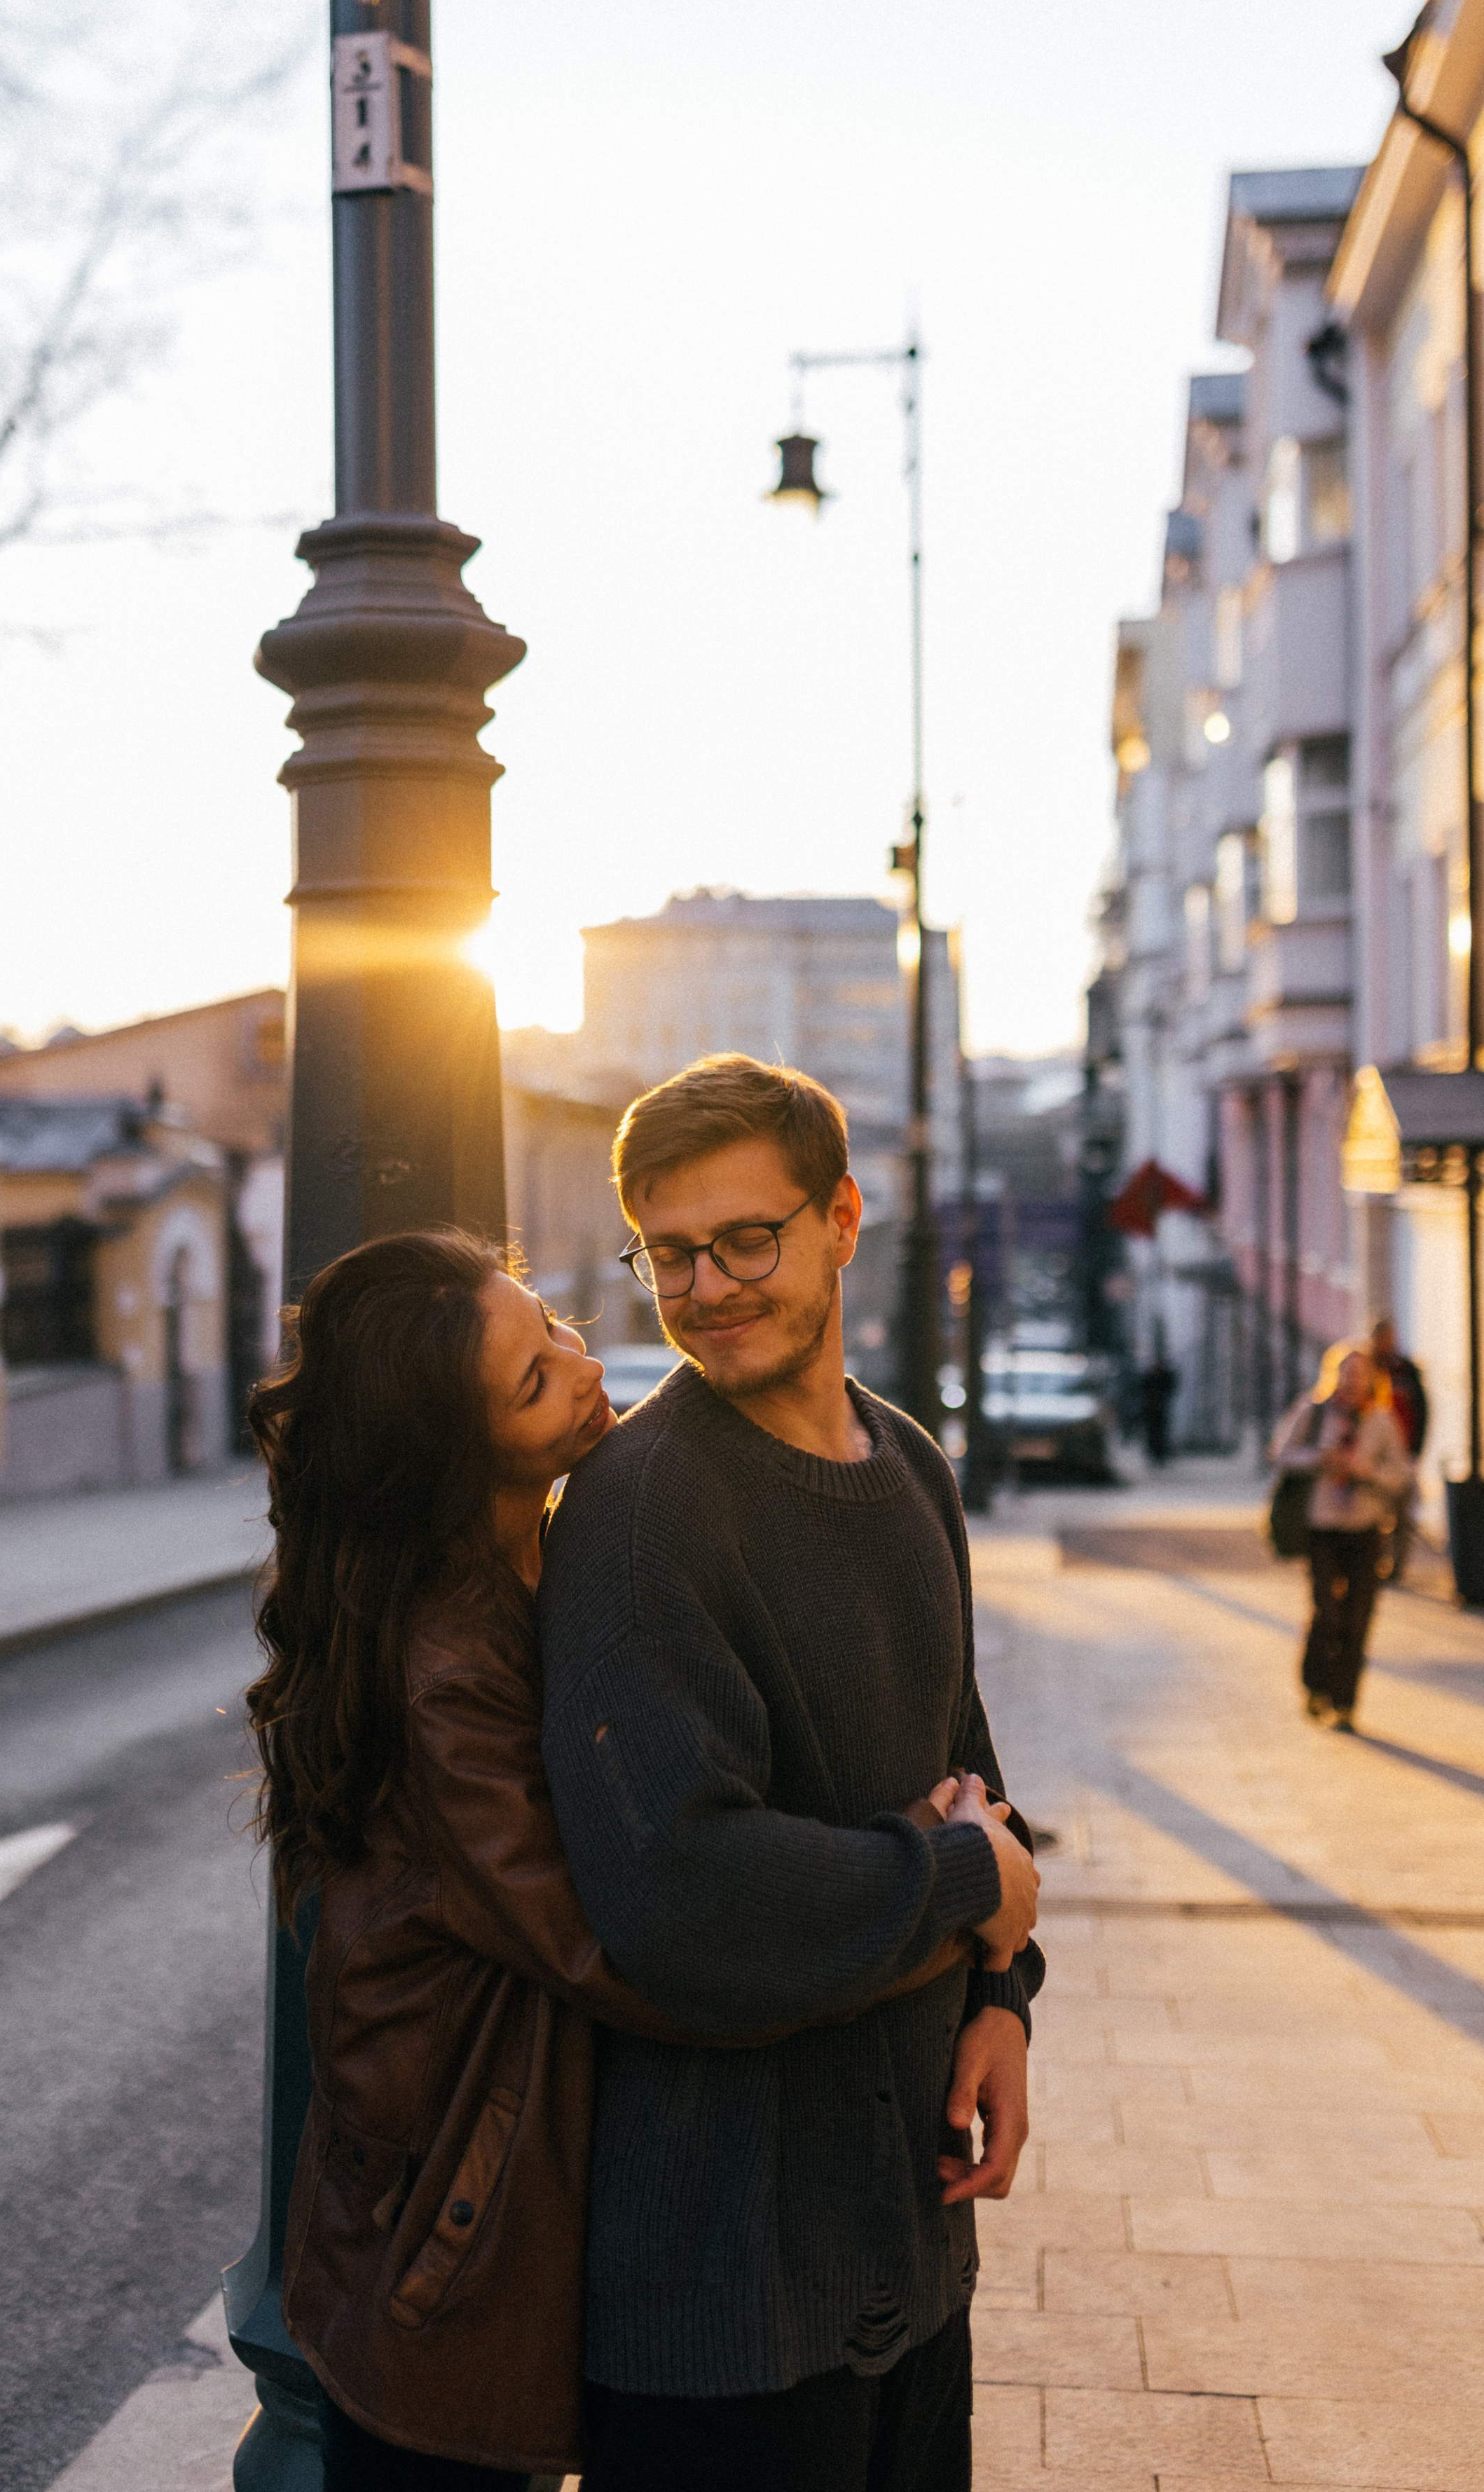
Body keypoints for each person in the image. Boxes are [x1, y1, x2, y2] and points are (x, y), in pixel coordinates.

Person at [244, 1227, 1032, 2489]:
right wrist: (961, 1889)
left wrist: (994, 1977)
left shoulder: (548, 1558)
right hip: (447, 2255)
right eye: (531, 1380)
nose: (579, 1363)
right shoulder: (446, 1673)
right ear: (455, 1457)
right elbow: (652, 1944)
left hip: (493, 2218)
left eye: (550, 1324)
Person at [538, 1055, 1045, 2492]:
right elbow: (683, 1899)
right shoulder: (638, 1518)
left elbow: (974, 1785)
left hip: (909, 2252)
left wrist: (1002, 1999)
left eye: (743, 1239)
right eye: (667, 1256)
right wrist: (961, 1883)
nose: (704, 1289)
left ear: (840, 1216)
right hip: (719, 2309)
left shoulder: (910, 1466)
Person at [1272, 1342, 1411, 1732]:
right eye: (1347, 1373)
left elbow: (1401, 1475)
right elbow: (1282, 1453)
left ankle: (1345, 1701)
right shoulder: (1314, 1412)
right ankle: (1316, 1684)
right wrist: (1320, 1458)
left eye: (1361, 1375)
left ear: (1371, 1380)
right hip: (1322, 1526)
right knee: (1326, 1611)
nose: (1353, 1382)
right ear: (1334, 1374)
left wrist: (1368, 1471)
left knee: (1357, 1616)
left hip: (1365, 1527)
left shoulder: (1380, 1421)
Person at [1368, 1315, 1428, 1582]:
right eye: (1382, 1338)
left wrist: (1416, 1450)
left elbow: (1422, 1410)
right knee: (1374, 1512)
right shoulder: (1366, 1368)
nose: (1386, 1344)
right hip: (1373, 1456)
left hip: (1402, 1453)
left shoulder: (1405, 1370)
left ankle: (1397, 1568)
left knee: (1403, 1515)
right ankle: (1375, 1563)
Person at [1139, 1350, 1179, 1467]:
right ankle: (1154, 1454)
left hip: (1160, 1409)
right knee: (1152, 1433)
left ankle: (1160, 1455)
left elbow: (1171, 1386)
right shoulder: (1149, 1376)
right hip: (1151, 1409)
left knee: (1160, 1433)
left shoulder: (1163, 1376)